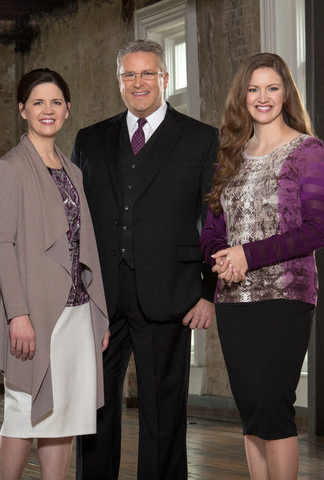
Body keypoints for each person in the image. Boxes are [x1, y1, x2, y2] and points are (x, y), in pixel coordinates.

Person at [72, 39, 218, 479]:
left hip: (171, 293)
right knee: (94, 407)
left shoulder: (200, 138)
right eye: (129, 74)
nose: (139, 83)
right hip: (102, 296)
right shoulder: (90, 139)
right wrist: (77, 292)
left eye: (147, 73)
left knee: (164, 411)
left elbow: (215, 221)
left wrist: (208, 293)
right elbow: (75, 223)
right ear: (119, 81)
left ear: (165, 78)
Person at [200, 52, 324, 480]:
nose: (263, 97)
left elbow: (316, 231)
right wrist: (223, 258)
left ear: (285, 94)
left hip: (286, 296)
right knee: (252, 410)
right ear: (242, 96)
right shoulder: (230, 155)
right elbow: (212, 230)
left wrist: (247, 255)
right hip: (233, 300)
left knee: (274, 408)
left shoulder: (307, 152)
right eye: (253, 89)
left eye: (272, 88)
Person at [0, 69, 110, 480]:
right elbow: (2, 245)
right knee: (22, 416)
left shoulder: (73, 171)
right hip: (35, 313)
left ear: (67, 110)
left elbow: (85, 247)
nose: (48, 110)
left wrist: (97, 314)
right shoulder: (9, 167)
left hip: (76, 312)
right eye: (38, 102)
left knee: (64, 420)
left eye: (56, 102)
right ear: (22, 109)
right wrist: (17, 314)